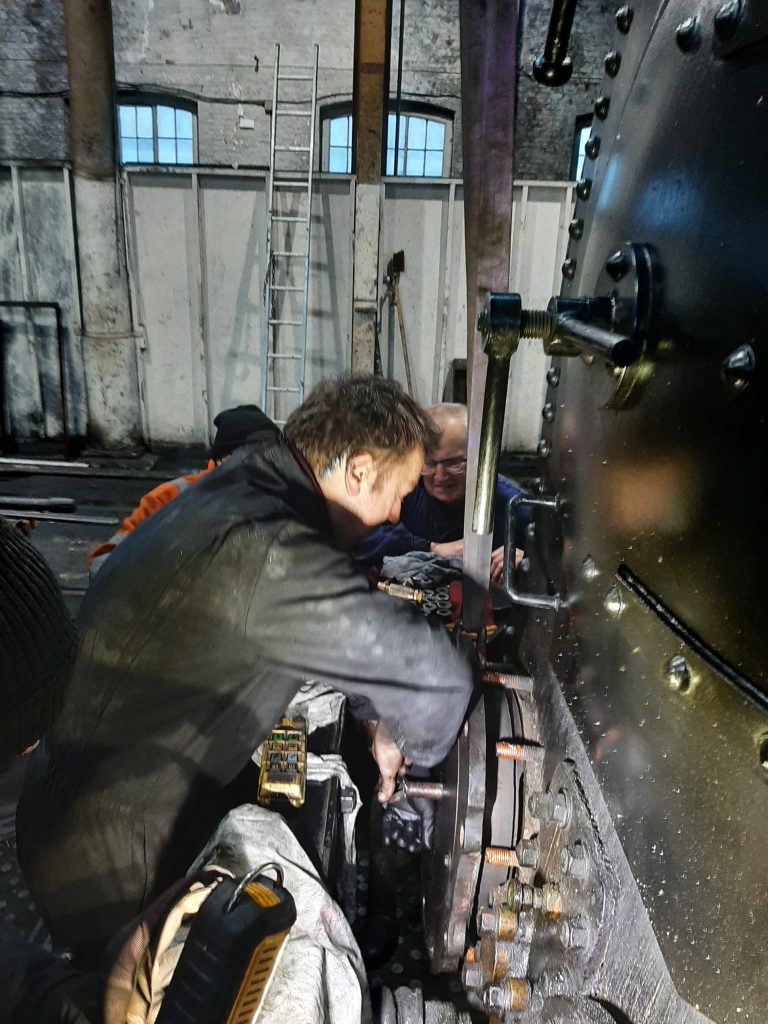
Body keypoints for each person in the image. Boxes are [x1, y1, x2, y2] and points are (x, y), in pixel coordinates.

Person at [16, 375, 476, 969]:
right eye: (399, 492)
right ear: (359, 470)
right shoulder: (270, 552)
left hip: (74, 803)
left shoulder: (251, 479)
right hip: (113, 860)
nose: (395, 513)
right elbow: (439, 681)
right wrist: (408, 806)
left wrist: (375, 722)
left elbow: (330, 626)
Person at [88, 404, 275, 576]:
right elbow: (103, 565)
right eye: (248, 459)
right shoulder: (170, 498)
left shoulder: (284, 502)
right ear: (220, 461)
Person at [355, 402, 528, 582]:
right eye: (429, 463)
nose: (439, 476)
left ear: (478, 457)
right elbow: (362, 539)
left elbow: (551, 566)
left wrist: (526, 561)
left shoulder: (514, 505)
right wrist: (431, 548)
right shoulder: (406, 489)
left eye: (452, 463)